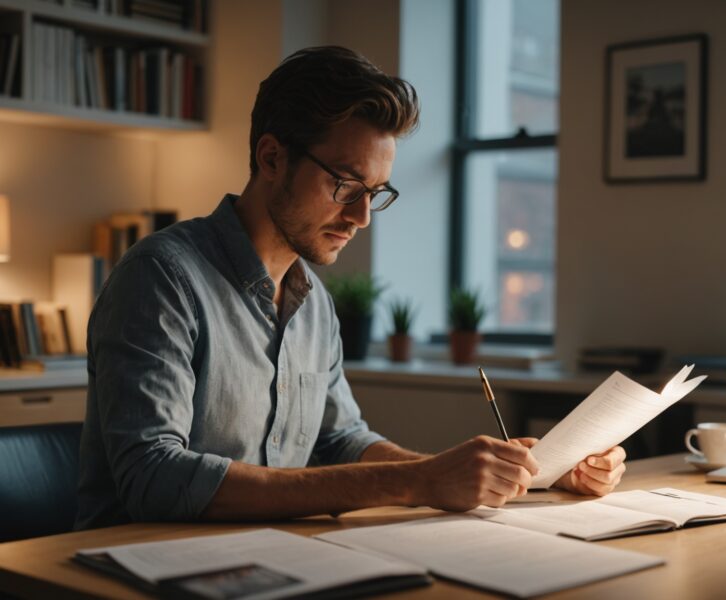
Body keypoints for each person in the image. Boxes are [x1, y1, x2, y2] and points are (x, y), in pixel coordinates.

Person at [75, 46, 626, 530]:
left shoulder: (313, 302)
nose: (362, 217)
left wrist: (478, 476)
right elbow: (153, 478)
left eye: (377, 192)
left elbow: (340, 441)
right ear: (272, 157)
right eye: (345, 184)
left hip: (270, 560)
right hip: (129, 570)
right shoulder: (161, 277)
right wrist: (418, 483)